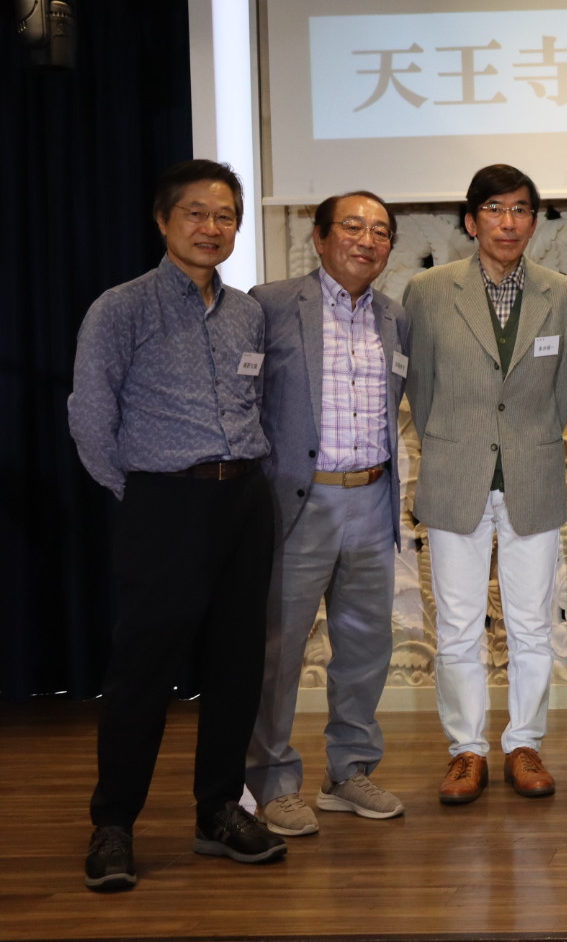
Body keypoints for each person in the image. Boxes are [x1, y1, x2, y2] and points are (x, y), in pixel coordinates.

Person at [69, 159, 286, 891]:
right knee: (143, 672)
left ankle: (218, 810)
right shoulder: (121, 308)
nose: (211, 227)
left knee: (236, 666)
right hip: (163, 502)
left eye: (225, 215)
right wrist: (139, 495)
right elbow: (90, 417)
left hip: (244, 501)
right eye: (196, 213)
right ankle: (113, 824)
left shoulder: (248, 312)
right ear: (163, 220)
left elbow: (258, 407)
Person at [402, 163, 567, 803]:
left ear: (534, 222)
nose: (508, 222)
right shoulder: (428, 291)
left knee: (532, 623)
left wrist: (524, 440)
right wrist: (461, 442)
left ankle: (525, 743)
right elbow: (422, 389)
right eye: (494, 209)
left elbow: (562, 393)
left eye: (520, 210)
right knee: (458, 624)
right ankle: (466, 751)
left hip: (532, 473)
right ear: (470, 220)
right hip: (455, 473)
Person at [244, 191, 411, 836]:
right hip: (297, 501)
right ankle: (272, 781)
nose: (368, 240)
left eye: (381, 231)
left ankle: (349, 770)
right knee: (278, 649)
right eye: (353, 226)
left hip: (371, 496)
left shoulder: (395, 317)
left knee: (366, 646)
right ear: (319, 237)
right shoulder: (270, 304)